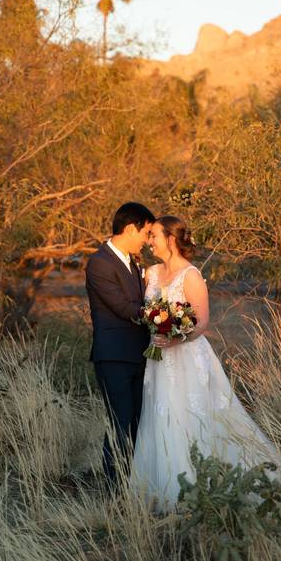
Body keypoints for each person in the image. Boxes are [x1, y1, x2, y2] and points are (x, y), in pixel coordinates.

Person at [129, 215, 281, 510]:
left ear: (171, 240)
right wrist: (156, 328)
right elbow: (147, 311)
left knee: (192, 415)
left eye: (155, 236)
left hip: (186, 357)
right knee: (160, 415)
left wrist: (176, 338)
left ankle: (211, 487)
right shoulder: (151, 273)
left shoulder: (191, 276)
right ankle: (164, 493)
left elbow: (201, 321)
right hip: (158, 358)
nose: (151, 242)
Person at [84, 202, 156, 490]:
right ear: (130, 229)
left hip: (138, 355)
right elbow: (122, 306)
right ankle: (113, 492)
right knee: (120, 422)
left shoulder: (134, 262)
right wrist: (163, 316)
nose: (148, 241)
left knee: (138, 423)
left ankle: (133, 486)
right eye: (146, 233)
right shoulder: (100, 263)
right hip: (113, 356)